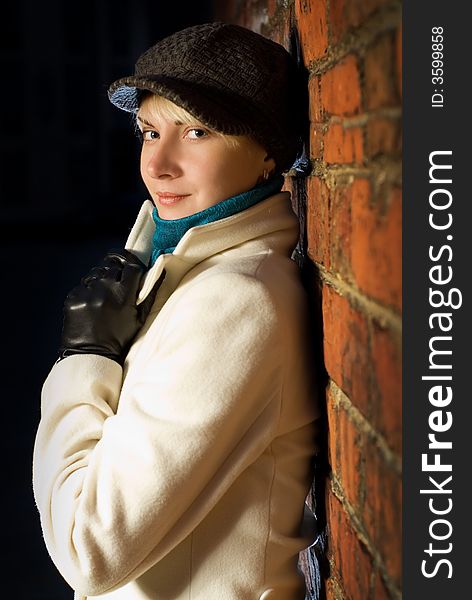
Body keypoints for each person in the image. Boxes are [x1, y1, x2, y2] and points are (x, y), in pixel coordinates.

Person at [33, 22, 321, 600]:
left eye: (196, 131)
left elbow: (87, 548)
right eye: (148, 132)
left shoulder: (234, 302)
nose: (159, 164)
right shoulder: (188, 276)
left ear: (268, 152)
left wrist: (84, 358)